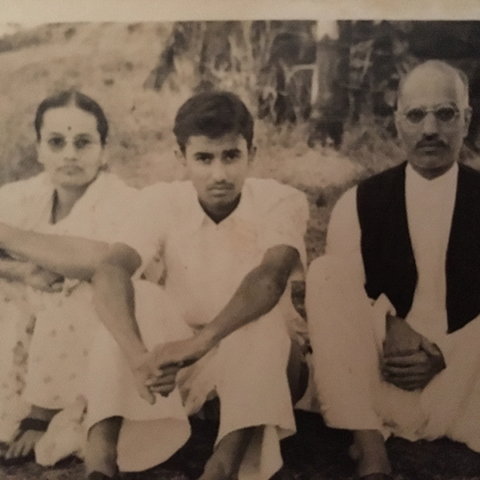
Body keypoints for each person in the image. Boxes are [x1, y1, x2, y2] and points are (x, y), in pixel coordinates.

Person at [0, 91, 309, 480]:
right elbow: (112, 269)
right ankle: (101, 464)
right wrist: (136, 356)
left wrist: (200, 342)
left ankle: (222, 467)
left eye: (231, 156)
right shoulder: (161, 199)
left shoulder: (281, 200)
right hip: (177, 365)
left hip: (266, 364)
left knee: (260, 323)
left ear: (252, 152)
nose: (219, 174)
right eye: (203, 158)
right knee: (139, 294)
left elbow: (270, 279)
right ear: (181, 158)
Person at [305, 59, 480, 480]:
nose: (430, 130)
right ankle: (369, 449)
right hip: (384, 375)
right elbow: (345, 299)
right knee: (326, 274)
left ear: (467, 120)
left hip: (467, 379)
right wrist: (386, 321)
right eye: (417, 115)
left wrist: (443, 355)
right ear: (398, 122)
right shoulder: (359, 202)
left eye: (445, 113)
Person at [0, 90, 138, 465]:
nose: (69, 154)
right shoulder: (23, 195)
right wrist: (18, 268)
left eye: (83, 143)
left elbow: (100, 261)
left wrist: (8, 237)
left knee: (76, 294)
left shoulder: (122, 200)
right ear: (40, 149)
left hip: (94, 325)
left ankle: (47, 412)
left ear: (104, 150)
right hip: (33, 317)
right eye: (57, 143)